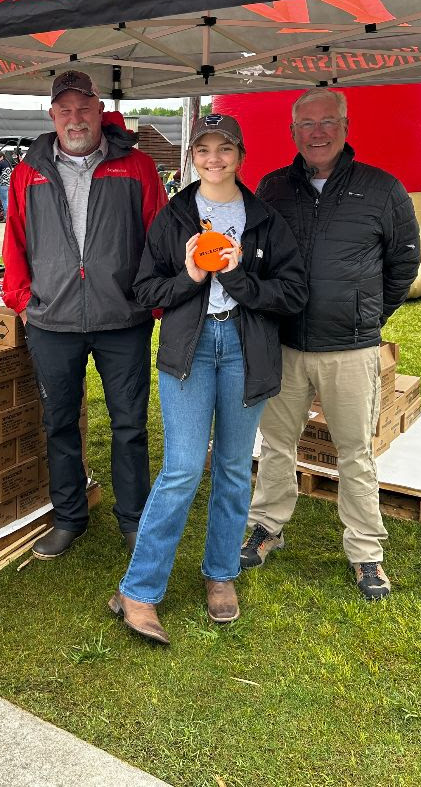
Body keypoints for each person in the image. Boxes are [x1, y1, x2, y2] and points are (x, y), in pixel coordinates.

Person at [109, 115, 307, 644]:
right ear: (192, 156)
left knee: (235, 469)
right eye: (204, 149)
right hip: (190, 351)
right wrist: (193, 275)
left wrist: (238, 276)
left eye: (225, 149)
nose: (214, 158)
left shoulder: (263, 218)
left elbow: (292, 293)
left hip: (245, 350)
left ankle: (221, 573)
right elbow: (147, 287)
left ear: (241, 155)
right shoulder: (174, 216)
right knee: (181, 468)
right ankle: (140, 589)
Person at [242, 88, 420, 601]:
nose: (317, 133)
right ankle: (267, 527)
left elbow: (403, 263)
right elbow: (257, 258)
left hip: (350, 347)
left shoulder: (382, 189)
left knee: (355, 452)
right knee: (276, 445)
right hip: (287, 344)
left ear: (345, 127)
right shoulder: (273, 189)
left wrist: (368, 315)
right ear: (292, 132)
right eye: (307, 124)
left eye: (328, 122)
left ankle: (366, 552)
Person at [2, 70, 167, 559]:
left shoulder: (136, 167)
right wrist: (23, 302)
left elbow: (157, 237)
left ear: (100, 111)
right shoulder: (28, 171)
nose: (75, 118)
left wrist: (150, 301)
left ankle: (133, 519)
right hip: (53, 323)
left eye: (83, 108)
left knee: (129, 425)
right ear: (52, 115)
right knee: (59, 423)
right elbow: (15, 238)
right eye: (65, 110)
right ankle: (70, 516)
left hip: (124, 320)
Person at [0, 151, 13, 216]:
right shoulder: (7, 163)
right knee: (7, 201)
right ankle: (9, 216)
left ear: (2, 157)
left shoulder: (0, 164)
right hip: (8, 184)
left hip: (2, 185)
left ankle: (6, 217)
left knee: (4, 201)